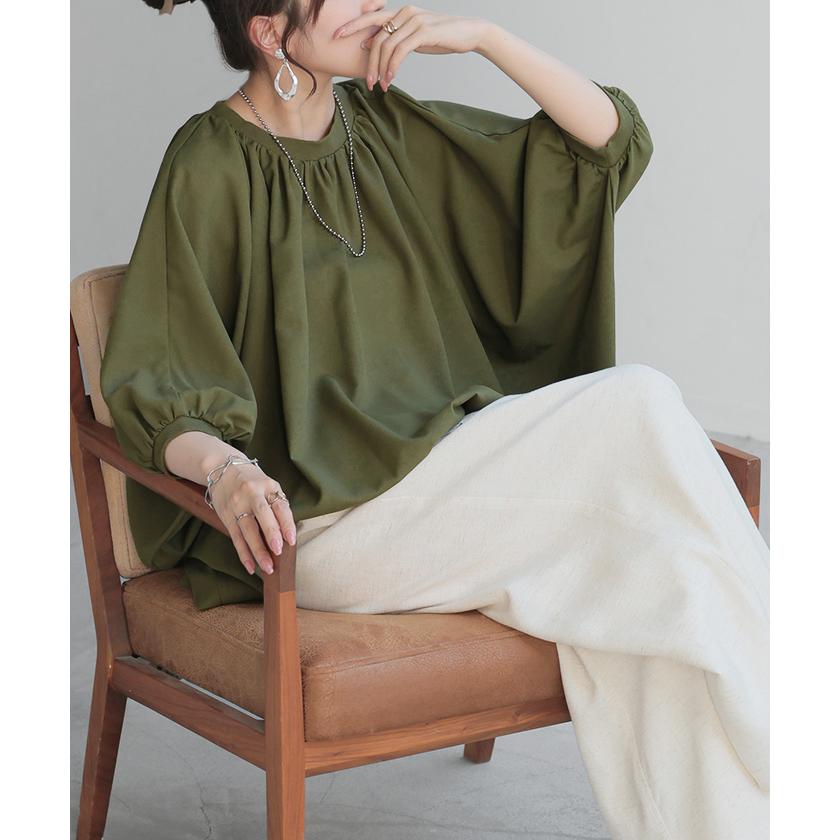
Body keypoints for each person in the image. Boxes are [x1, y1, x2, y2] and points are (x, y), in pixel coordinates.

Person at [100, 2, 770, 838]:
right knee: (639, 404)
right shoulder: (208, 162)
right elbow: (161, 379)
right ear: (270, 35)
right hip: (330, 523)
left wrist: (486, 39)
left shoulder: (381, 126)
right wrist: (226, 470)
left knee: (666, 574)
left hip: (447, 483)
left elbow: (604, 143)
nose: (372, 4)